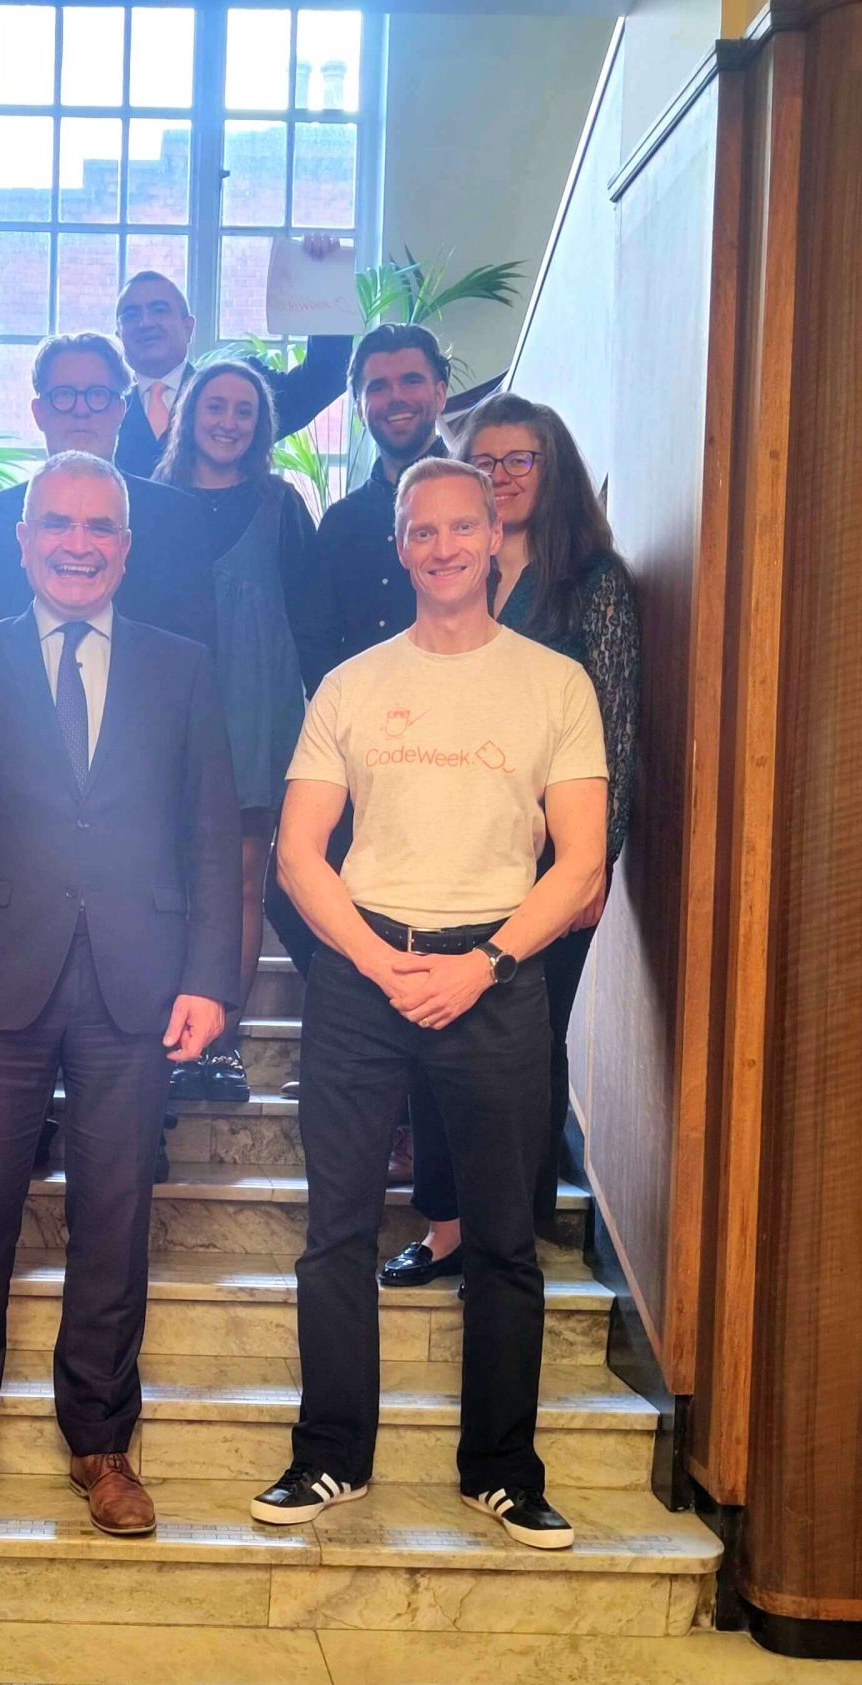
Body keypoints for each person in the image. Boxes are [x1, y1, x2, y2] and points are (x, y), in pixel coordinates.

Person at [0, 450, 239, 1544]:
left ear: (125, 547)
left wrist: (211, 977)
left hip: (135, 984)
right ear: (23, 541)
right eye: (58, 526)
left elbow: (213, 838)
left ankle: (102, 1447)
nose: (79, 544)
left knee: (115, 1223)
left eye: (99, 527)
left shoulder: (181, 668)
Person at [250, 456, 606, 1551]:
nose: (444, 546)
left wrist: (485, 965)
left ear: (497, 535)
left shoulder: (554, 685)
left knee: (503, 1243)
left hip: (495, 983)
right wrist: (367, 958)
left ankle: (499, 1470)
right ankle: (329, 1458)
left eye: (465, 526)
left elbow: (581, 866)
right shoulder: (351, 685)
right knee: (336, 1233)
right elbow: (298, 854)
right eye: (421, 530)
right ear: (398, 546)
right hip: (364, 979)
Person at [382, 394, 640, 1286]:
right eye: (483, 463)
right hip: (446, 859)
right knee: (428, 1033)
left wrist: (596, 863)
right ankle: (448, 1224)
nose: (500, 477)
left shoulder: (592, 582)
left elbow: (616, 728)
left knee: (528, 1045)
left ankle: (514, 1232)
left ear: (552, 466)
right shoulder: (450, 570)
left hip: (554, 866)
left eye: (519, 460)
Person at [153, 361, 333, 1104]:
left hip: (258, 718)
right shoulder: (151, 504)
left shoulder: (282, 506)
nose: (229, 420)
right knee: (162, 883)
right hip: (166, 718)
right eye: (216, 405)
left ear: (261, 426)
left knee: (241, 885)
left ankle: (220, 1047)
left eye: (244, 411)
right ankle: (163, 1038)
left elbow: (314, 624)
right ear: (191, 411)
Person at [265, 321, 456, 997]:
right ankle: (362, 1018)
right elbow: (314, 639)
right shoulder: (341, 521)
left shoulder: (477, 506)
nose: (395, 397)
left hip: (461, 753)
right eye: (378, 385)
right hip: (358, 753)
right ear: (358, 401)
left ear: (440, 389)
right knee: (287, 887)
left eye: (411, 380)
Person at [0, 332, 217, 649]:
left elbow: (194, 654)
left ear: (121, 410)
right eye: (63, 395)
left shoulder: (178, 518)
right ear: (38, 412)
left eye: (97, 395)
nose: (81, 410)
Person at [111, 258, 354, 479]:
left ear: (188, 327)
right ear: (118, 334)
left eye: (159, 310)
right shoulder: (98, 408)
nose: (145, 322)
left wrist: (326, 278)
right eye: (131, 315)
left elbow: (324, 377)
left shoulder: (239, 394)